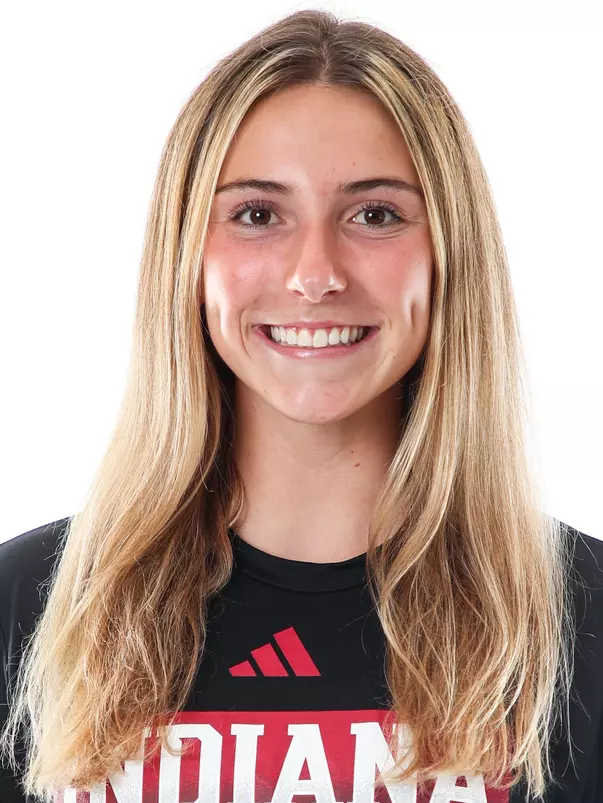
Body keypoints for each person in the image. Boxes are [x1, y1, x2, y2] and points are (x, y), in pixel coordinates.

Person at [1, 8, 602, 803]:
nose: (314, 272)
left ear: (449, 254)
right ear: (187, 254)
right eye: (256, 214)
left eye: (375, 214)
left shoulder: (583, 619)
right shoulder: (27, 610)